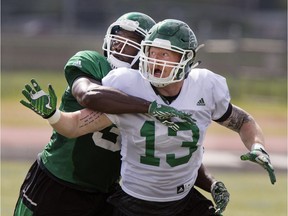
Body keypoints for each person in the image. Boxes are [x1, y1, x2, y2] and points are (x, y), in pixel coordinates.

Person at [15, 13, 230, 216]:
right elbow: (87, 94)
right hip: (59, 181)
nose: (120, 46)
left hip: (108, 193)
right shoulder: (95, 63)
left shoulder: (153, 86)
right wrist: (149, 107)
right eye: (118, 38)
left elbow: (176, 151)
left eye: (132, 42)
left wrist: (210, 184)